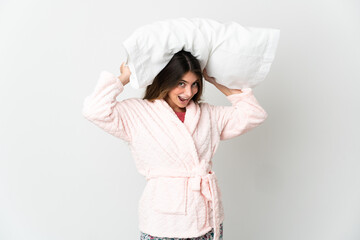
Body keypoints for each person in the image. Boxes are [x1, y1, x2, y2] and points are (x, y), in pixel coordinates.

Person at [82, 50, 268, 240]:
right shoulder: (138, 113)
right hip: (161, 223)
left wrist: (216, 81)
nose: (189, 92)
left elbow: (254, 114)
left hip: (204, 220)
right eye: (181, 84)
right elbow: (94, 109)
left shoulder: (208, 115)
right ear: (165, 81)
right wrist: (125, 76)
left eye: (194, 84)